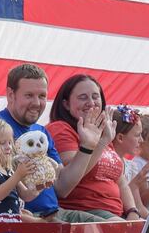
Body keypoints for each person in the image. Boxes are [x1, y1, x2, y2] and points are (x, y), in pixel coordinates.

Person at [0, 64, 114, 221]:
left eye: (42, 96)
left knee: (116, 231)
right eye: (29, 95)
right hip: (26, 219)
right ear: (10, 95)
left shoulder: (42, 132)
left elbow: (62, 187)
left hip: (55, 213)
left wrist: (88, 146)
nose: (37, 103)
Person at [45, 74, 139, 221]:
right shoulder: (61, 128)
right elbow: (71, 177)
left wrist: (133, 212)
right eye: (83, 97)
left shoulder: (101, 133)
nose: (91, 103)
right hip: (84, 212)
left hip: (115, 214)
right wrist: (100, 143)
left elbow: (120, 181)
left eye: (95, 97)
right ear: (66, 104)